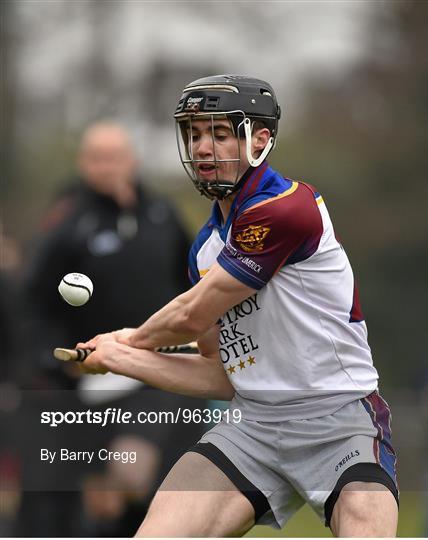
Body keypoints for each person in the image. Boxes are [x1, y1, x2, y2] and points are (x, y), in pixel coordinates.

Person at [78, 76, 399, 537]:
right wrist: (121, 361)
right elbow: (219, 374)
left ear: (261, 140)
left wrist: (127, 341)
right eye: (193, 133)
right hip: (252, 428)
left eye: (219, 133)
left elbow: (191, 314)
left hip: (339, 422)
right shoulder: (204, 251)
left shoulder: (287, 208)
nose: (202, 147)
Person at [17, 121, 205, 537]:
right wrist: (53, 359)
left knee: (131, 473)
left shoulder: (162, 216)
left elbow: (193, 286)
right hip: (84, 380)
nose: (107, 167)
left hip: (153, 376)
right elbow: (34, 301)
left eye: (115, 157)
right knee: (87, 498)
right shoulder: (67, 222)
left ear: (132, 160)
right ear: (83, 163)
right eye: (97, 158)